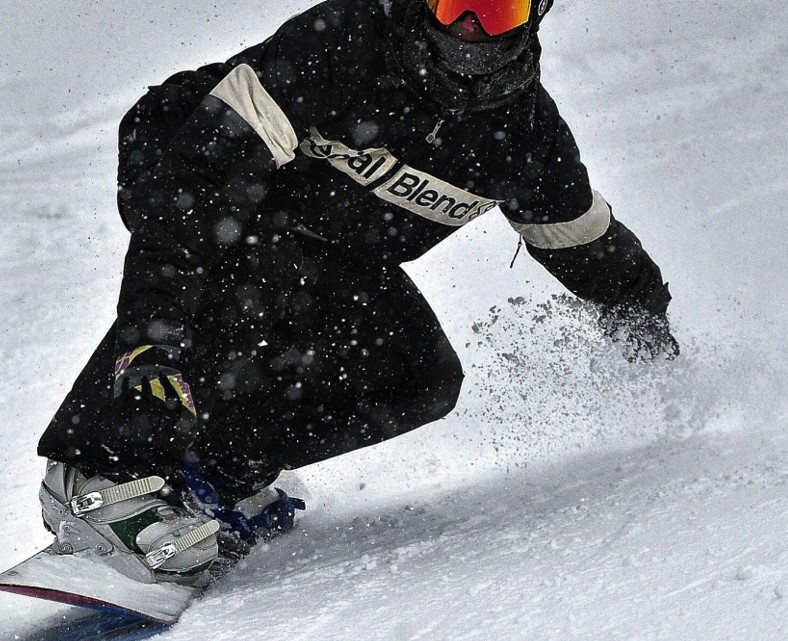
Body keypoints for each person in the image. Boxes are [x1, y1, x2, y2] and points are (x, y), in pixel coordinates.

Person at [35, 0, 678, 593]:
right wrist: (151, 338)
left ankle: (214, 476)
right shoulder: (347, 42)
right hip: (194, 163)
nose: (469, 27)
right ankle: (95, 476)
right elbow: (201, 175)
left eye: (496, 8)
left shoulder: (527, 141)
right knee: (254, 271)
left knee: (418, 376)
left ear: (533, 17)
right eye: (454, 3)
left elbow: (590, 248)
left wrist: (651, 338)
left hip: (322, 241)